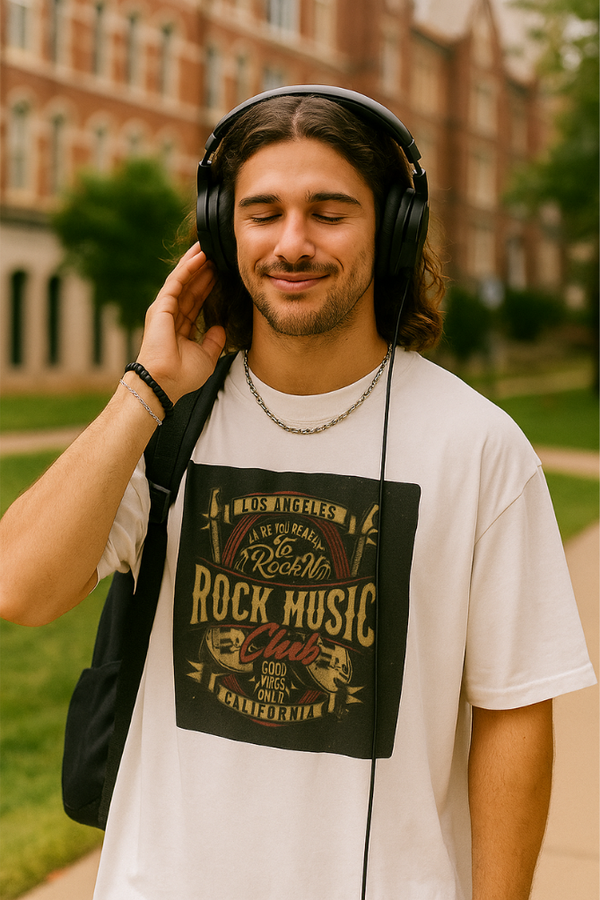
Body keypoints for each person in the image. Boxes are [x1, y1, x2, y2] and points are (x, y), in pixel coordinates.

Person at [0, 87, 595, 900]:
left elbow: (514, 713)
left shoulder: (479, 446)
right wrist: (146, 389)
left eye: (329, 211)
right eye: (262, 212)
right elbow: (20, 588)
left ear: (392, 230)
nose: (292, 243)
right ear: (221, 231)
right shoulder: (168, 427)